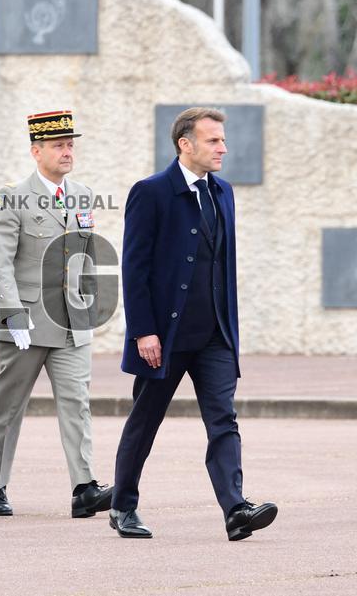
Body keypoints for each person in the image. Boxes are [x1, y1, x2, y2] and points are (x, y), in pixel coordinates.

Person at [109, 107, 278, 541]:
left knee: (224, 420)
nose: (223, 147)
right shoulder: (151, 192)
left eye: (222, 139)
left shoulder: (223, 191)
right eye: (213, 140)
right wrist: (143, 331)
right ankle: (122, 506)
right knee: (145, 421)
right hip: (164, 337)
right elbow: (135, 268)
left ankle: (235, 509)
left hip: (215, 336)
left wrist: (230, 332)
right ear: (186, 144)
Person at [0, 110, 111, 519]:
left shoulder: (83, 194)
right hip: (27, 322)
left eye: (70, 144)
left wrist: (89, 305)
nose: (67, 152)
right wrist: (11, 312)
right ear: (36, 151)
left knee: (78, 403)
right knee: (9, 407)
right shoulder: (12, 196)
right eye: (58, 145)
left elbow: (86, 256)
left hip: (71, 322)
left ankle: (84, 487)